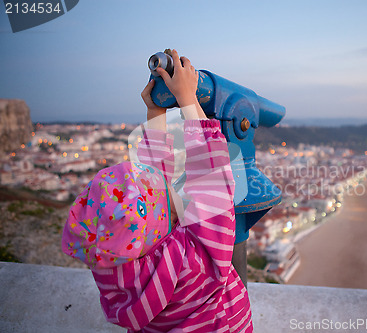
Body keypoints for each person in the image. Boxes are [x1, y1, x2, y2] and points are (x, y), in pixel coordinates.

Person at [61, 50, 253, 332]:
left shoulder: (114, 265)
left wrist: (156, 112)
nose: (171, 184)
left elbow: (150, 196)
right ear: (168, 217)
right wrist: (188, 99)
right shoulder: (196, 259)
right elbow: (213, 180)